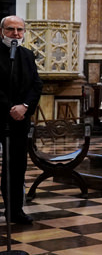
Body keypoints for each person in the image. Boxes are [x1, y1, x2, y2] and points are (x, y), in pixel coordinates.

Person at [0, 16, 42, 224]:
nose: (15, 34)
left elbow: (36, 85)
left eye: (19, 30)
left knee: (16, 167)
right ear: (2, 32)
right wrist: (9, 108)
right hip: (0, 116)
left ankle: (15, 210)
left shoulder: (27, 55)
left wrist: (24, 107)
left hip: (20, 120)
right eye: (11, 29)